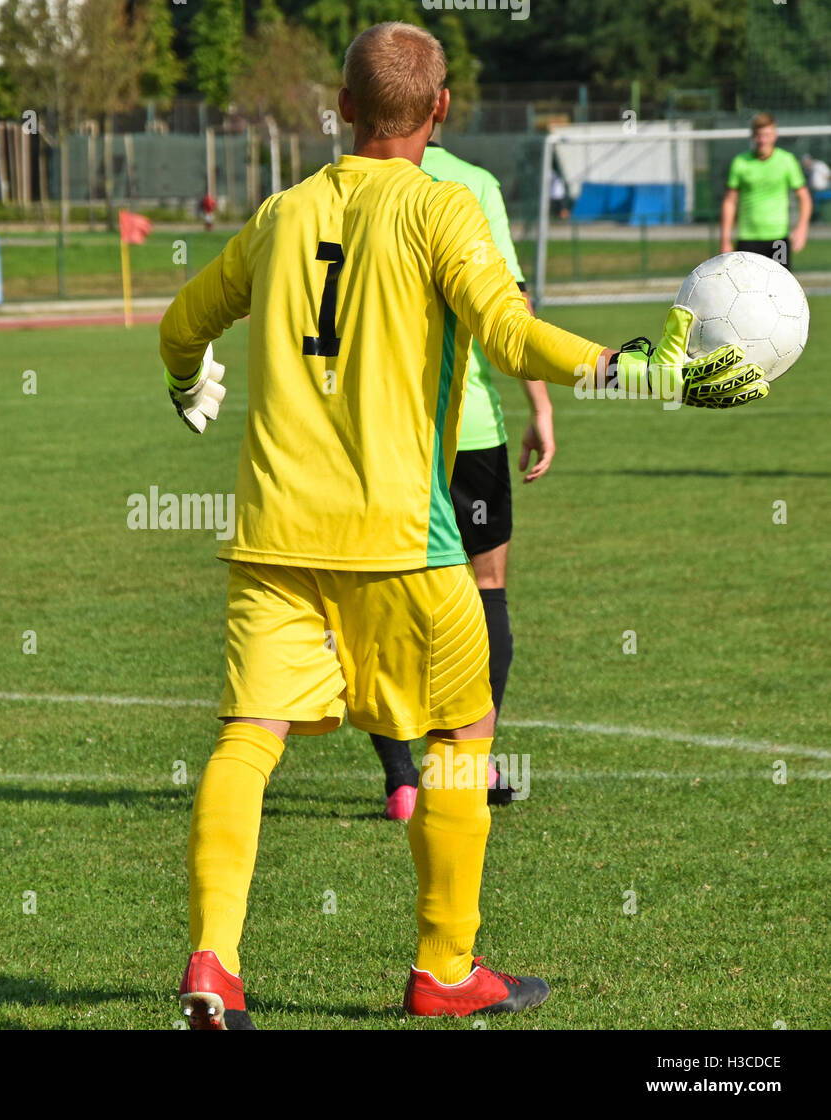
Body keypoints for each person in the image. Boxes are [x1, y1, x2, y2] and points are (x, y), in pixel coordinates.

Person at [159, 22, 766, 1029]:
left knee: (247, 739)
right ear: (439, 114)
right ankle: (443, 969)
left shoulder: (277, 213)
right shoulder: (441, 209)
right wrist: (637, 370)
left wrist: (190, 380)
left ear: (341, 109)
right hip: (403, 539)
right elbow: (511, 331)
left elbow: (184, 322)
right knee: (462, 731)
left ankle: (213, 963)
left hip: (273, 536)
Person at [370, 139, 553, 821]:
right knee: (486, 588)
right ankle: (470, 761)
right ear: (439, 105)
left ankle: (400, 776)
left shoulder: (344, 187)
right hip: (469, 426)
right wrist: (540, 405)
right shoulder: (474, 184)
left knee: (381, 599)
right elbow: (510, 313)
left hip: (381, 435)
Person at [720, 113, 811, 267]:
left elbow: (804, 197)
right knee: (747, 288)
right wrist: (725, 239)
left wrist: (802, 227)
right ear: (753, 136)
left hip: (778, 239)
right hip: (748, 238)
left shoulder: (786, 161)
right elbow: (730, 202)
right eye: (759, 136)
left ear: (774, 135)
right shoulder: (740, 162)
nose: (763, 140)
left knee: (780, 286)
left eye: (767, 135)